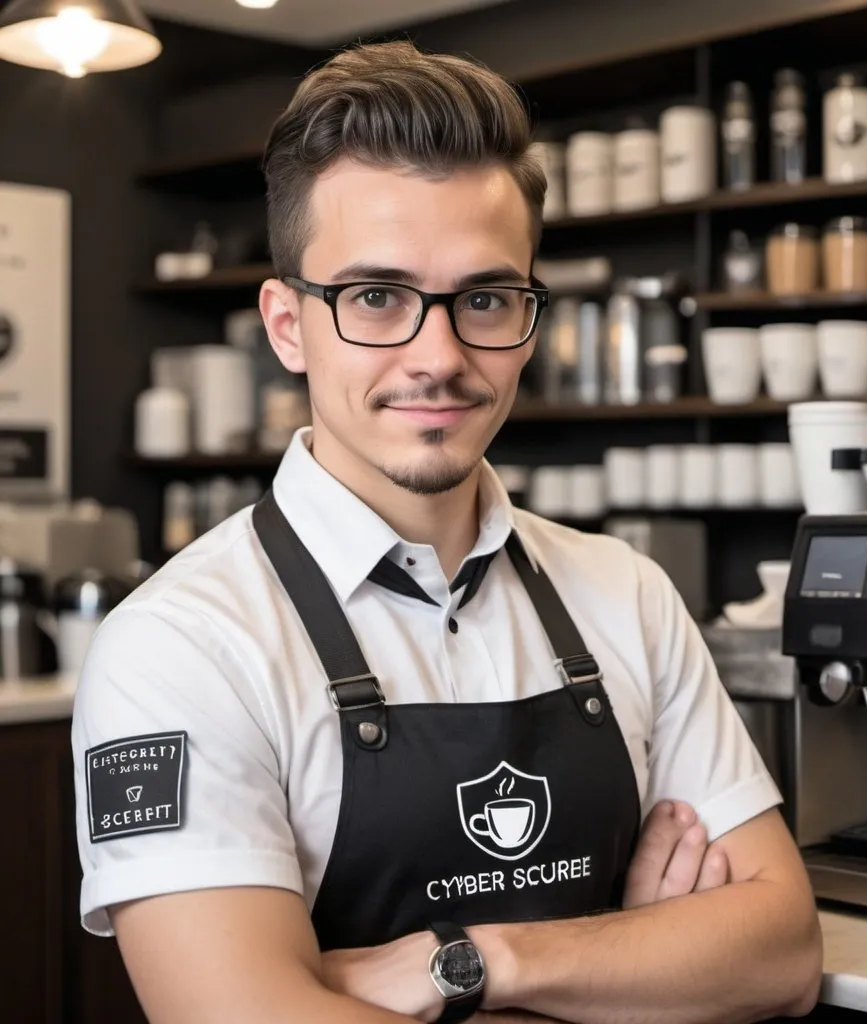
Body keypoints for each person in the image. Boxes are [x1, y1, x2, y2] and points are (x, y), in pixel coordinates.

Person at [71, 39, 822, 1024]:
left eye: (483, 298)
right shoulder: (177, 646)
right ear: (287, 324)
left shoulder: (624, 592)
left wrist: (469, 963)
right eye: (375, 296)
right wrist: (634, 969)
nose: (439, 355)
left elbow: (780, 953)